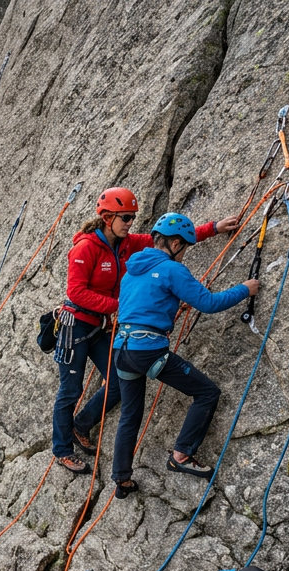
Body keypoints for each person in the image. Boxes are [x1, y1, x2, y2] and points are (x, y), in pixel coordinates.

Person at [52, 189, 238, 474]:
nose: (130, 223)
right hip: (77, 324)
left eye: (132, 217)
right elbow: (76, 292)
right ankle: (63, 450)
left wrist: (213, 228)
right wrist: (126, 305)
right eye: (125, 217)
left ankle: (81, 424)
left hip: (103, 327)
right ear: (106, 217)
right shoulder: (85, 248)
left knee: (115, 382)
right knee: (70, 390)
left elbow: (168, 240)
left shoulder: (128, 244)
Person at [110, 213, 256, 497]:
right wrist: (245, 289)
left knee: (130, 414)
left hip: (122, 350)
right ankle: (182, 455)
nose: (185, 252)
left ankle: (122, 479)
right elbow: (209, 303)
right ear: (176, 243)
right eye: (186, 246)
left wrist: (172, 305)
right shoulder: (171, 270)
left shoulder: (131, 271)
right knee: (207, 393)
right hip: (148, 349)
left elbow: (143, 304)